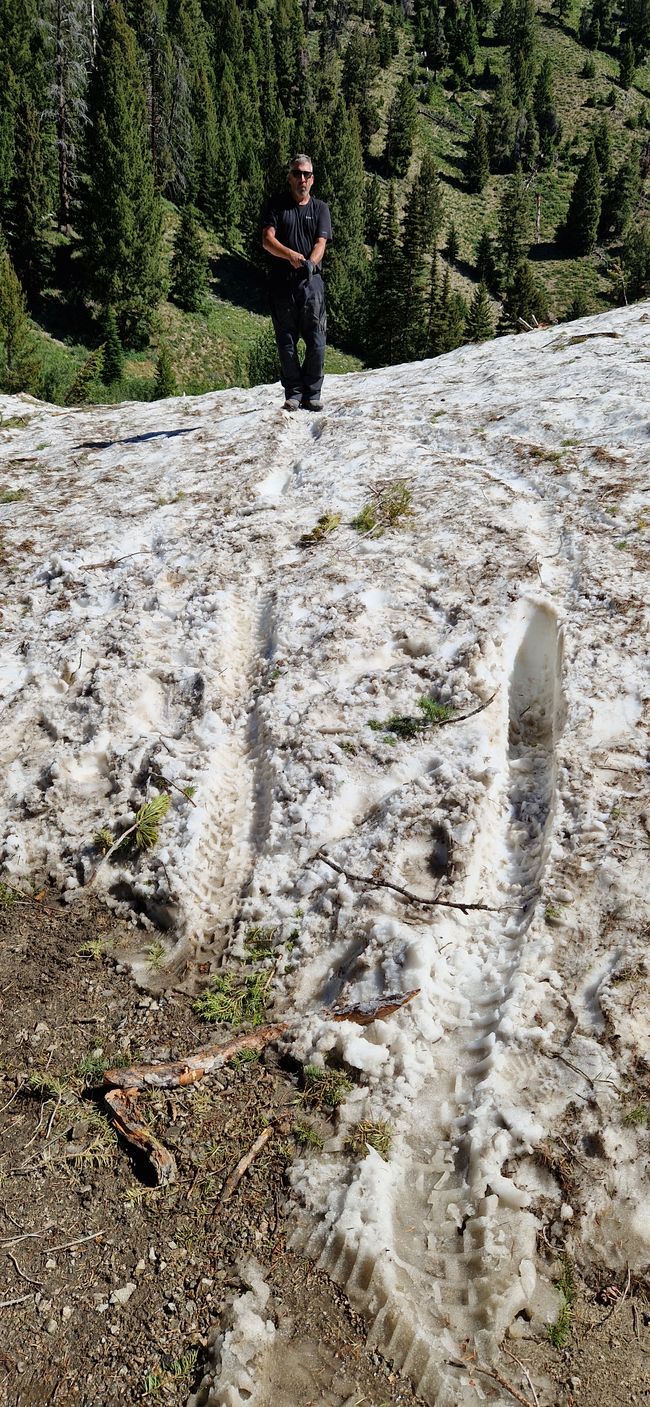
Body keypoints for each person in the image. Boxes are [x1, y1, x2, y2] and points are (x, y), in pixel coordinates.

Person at [262, 155, 332, 412]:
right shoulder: (277, 206)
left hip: (311, 285)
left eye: (307, 175)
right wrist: (289, 255)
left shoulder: (320, 209)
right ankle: (293, 392)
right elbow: (267, 239)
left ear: (312, 180)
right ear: (290, 177)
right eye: (297, 173)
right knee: (286, 343)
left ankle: (312, 392)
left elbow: (321, 243)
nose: (302, 179)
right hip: (281, 285)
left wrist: (310, 264)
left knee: (316, 340)